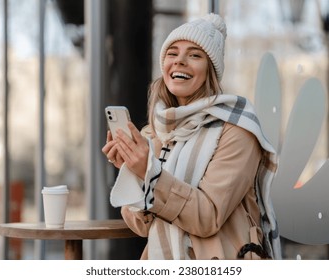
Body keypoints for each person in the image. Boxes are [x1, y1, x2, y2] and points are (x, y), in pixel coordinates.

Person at [102, 13, 281, 260]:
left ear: (210, 71)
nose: (180, 61)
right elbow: (143, 226)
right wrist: (134, 173)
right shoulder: (155, 133)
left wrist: (149, 173)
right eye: (172, 53)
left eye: (195, 55)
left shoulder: (237, 130)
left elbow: (208, 216)